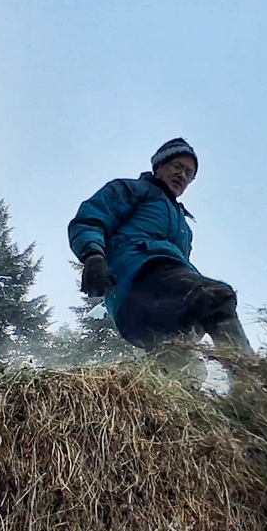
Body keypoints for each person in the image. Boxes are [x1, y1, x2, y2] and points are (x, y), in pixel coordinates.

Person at [67, 138, 251, 375]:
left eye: (189, 173)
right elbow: (91, 218)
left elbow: (180, 269)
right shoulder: (134, 190)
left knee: (185, 367)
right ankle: (251, 377)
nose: (182, 175)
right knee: (215, 297)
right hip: (139, 274)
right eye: (176, 166)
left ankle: (180, 401)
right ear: (159, 166)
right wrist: (93, 255)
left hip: (149, 311)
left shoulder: (184, 228)